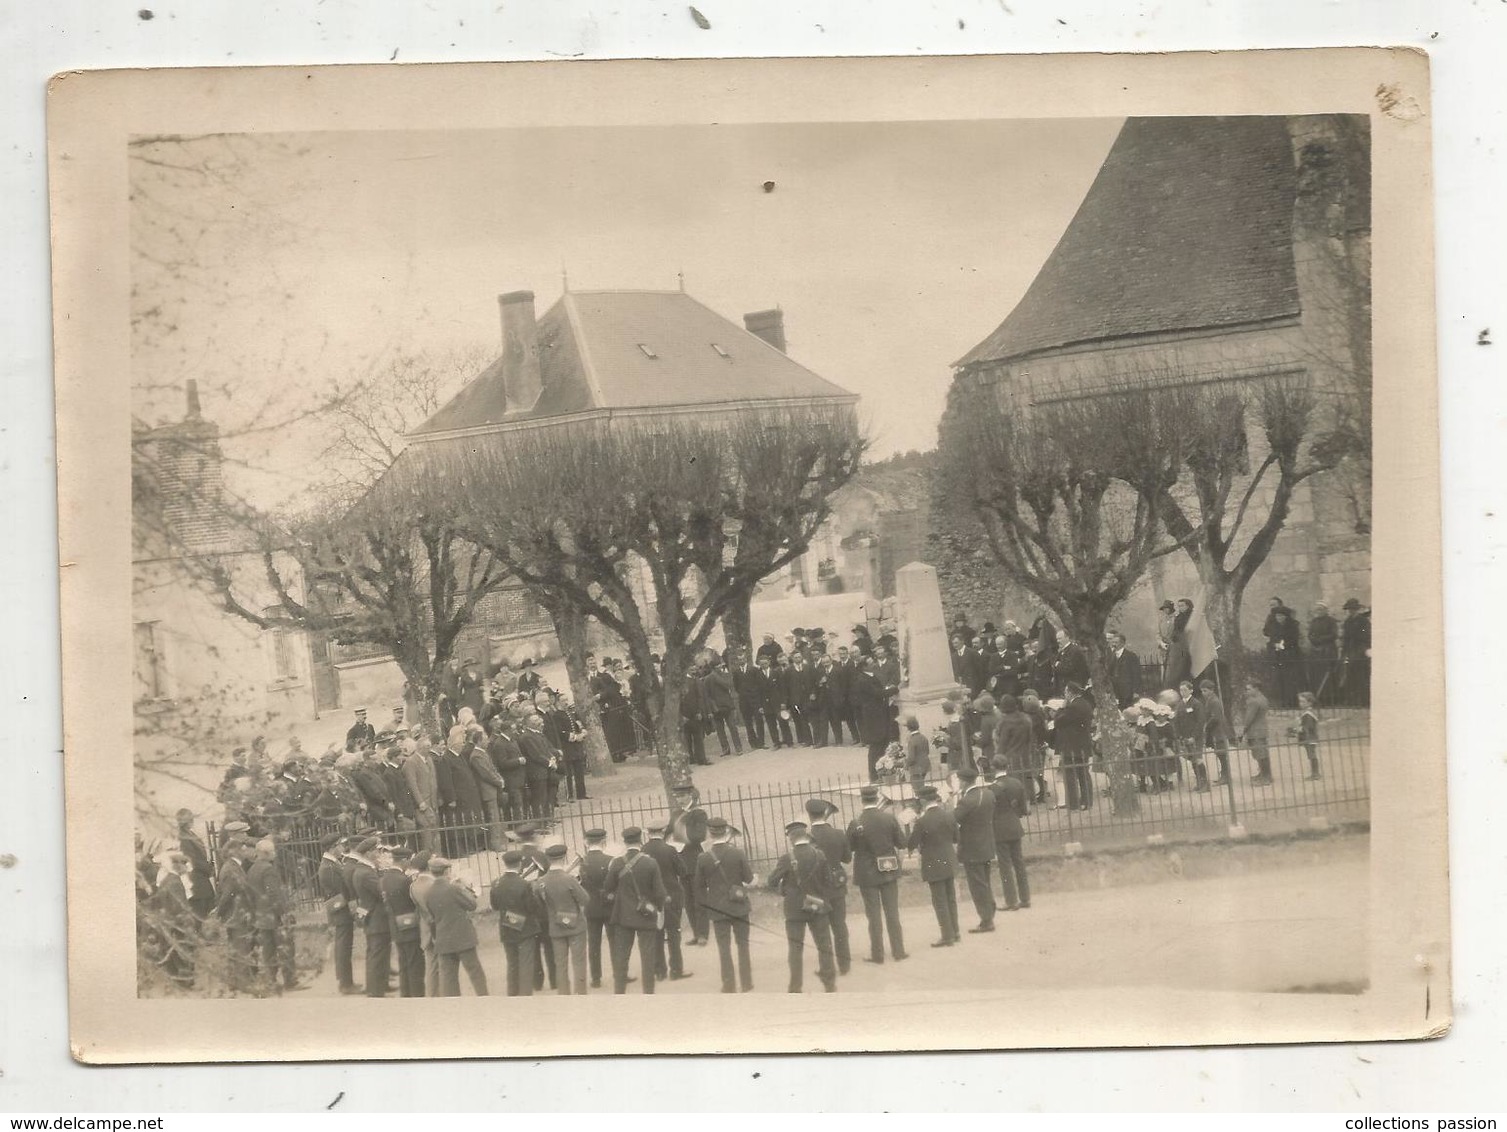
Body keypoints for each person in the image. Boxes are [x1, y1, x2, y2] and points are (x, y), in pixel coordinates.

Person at [766, 821, 839, 994]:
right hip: (817, 906)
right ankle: (830, 984)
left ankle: (795, 986)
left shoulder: (787, 858)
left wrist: (785, 887)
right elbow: (829, 881)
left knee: (795, 948)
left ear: (791, 838)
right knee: (824, 945)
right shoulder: (819, 855)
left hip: (794, 910)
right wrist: (820, 896)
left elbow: (771, 881)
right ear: (806, 836)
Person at [846, 785, 907, 964]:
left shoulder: (856, 823)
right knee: (892, 912)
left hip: (867, 873)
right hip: (888, 868)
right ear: (876, 798)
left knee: (873, 915)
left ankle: (877, 954)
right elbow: (902, 843)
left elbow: (849, 849)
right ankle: (899, 951)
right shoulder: (889, 818)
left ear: (861, 800)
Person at [694, 817, 754, 993]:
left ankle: (728, 984)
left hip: (718, 907)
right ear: (727, 831)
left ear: (709, 833)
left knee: (723, 947)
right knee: (743, 945)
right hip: (739, 906)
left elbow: (698, 885)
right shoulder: (738, 853)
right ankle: (746, 983)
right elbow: (748, 879)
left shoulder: (703, 857)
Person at [605, 827, 667, 995]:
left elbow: (608, 888)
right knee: (647, 956)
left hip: (623, 916)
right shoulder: (650, 862)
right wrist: (657, 909)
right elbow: (660, 893)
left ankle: (620, 992)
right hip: (645, 915)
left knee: (621, 956)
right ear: (640, 840)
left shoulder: (617, 863)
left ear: (625, 842)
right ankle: (648, 993)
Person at [905, 785, 960, 947]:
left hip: (933, 863)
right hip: (949, 860)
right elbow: (956, 838)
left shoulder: (922, 821)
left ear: (922, 800)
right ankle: (955, 932)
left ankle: (947, 936)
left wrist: (911, 826)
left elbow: (911, 843)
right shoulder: (949, 815)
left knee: (939, 900)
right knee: (950, 898)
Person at [247, 838, 303, 994]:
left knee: (268, 951)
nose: (275, 854)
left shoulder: (252, 869)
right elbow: (274, 894)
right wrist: (283, 913)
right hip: (275, 917)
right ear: (266, 853)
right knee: (285, 948)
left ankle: (271, 981)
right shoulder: (268, 869)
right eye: (272, 851)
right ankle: (290, 981)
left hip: (262, 917)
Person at [427, 856, 488, 996]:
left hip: (443, 939)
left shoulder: (429, 892)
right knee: (475, 972)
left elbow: (432, 915)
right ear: (447, 871)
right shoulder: (453, 889)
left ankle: (453, 1007)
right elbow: (472, 905)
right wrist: (465, 887)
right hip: (462, 937)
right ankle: (485, 1000)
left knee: (448, 977)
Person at [804, 798, 852, 975]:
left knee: (820, 929)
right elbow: (847, 859)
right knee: (839, 925)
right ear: (825, 813)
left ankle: (827, 967)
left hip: (815, 888)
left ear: (809, 815)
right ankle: (845, 966)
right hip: (836, 885)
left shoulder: (807, 837)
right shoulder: (838, 833)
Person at [538, 843, 591, 994]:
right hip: (576, 926)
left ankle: (563, 995)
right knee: (579, 962)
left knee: (560, 964)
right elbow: (585, 900)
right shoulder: (569, 879)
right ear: (564, 858)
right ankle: (580, 994)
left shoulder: (541, 882)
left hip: (555, 927)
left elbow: (539, 903)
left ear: (548, 859)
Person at [643, 822, 692, 982]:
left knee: (656, 933)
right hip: (671, 897)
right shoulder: (670, 850)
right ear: (663, 831)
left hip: (652, 898)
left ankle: (659, 971)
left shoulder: (643, 851)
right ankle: (676, 970)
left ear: (648, 832)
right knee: (673, 933)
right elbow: (683, 871)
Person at [490, 849, 543, 996]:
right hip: (525, 928)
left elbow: (494, 906)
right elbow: (532, 908)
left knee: (512, 964)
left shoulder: (496, 883)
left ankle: (512, 995)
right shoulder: (525, 884)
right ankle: (525, 996)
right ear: (520, 864)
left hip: (507, 926)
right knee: (526, 964)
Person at [954, 767, 997, 932]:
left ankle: (986, 920)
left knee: (977, 884)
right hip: (987, 843)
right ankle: (989, 911)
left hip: (972, 847)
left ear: (964, 781)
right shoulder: (988, 794)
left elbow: (953, 819)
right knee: (985, 881)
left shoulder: (966, 800)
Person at [347, 836, 391, 998]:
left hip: (372, 915)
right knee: (377, 954)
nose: (379, 854)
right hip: (377, 916)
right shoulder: (366, 873)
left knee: (376, 953)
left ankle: (378, 988)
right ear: (368, 853)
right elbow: (382, 891)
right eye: (376, 851)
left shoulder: (365, 870)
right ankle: (375, 991)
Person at [316, 833, 359, 995]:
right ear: (333, 848)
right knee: (343, 947)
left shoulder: (332, 864)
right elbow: (340, 891)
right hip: (341, 911)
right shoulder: (329, 867)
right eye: (340, 845)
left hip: (341, 910)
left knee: (344, 946)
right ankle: (345, 984)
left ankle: (347, 982)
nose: (343, 848)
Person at [212, 835, 255, 992]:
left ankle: (235, 981)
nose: (243, 849)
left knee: (237, 947)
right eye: (240, 847)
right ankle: (242, 983)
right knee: (240, 947)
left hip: (235, 913)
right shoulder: (231, 869)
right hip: (235, 914)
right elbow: (228, 894)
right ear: (232, 852)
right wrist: (220, 913)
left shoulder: (233, 866)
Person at [985, 766, 1031, 911]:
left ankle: (1011, 901)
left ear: (994, 768)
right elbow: (1024, 808)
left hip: (1000, 829)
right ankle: (1025, 899)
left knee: (1005, 866)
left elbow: (990, 810)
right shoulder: (1016, 783)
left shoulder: (993, 788)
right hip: (1015, 826)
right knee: (1019, 863)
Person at [382, 846, 425, 997]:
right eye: (409, 860)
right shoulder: (403, 880)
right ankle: (417, 995)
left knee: (403, 963)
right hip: (409, 926)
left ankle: (406, 995)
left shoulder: (385, 877)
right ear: (404, 860)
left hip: (395, 926)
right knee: (415, 964)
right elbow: (413, 901)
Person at [671, 792, 711, 948]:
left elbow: (700, 835)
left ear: (690, 796)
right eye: (677, 796)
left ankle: (703, 934)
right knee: (687, 901)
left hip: (695, 860)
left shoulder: (699, 813)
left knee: (699, 899)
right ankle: (696, 933)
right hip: (681, 861)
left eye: (681, 795)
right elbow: (670, 832)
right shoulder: (676, 813)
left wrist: (680, 838)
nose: (678, 798)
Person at [577, 828, 615, 989]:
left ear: (587, 843)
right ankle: (620, 973)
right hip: (609, 905)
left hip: (591, 907)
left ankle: (596, 978)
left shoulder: (582, 863)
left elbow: (581, 885)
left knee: (593, 943)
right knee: (615, 941)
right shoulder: (611, 860)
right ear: (603, 841)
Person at [1056, 682, 1095, 810]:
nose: (1065, 694)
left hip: (1071, 746)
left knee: (1070, 775)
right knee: (1084, 774)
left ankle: (1073, 803)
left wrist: (1061, 708)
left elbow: (1059, 722)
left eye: (1066, 692)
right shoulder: (1086, 704)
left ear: (1071, 692)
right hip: (1083, 744)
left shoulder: (1072, 707)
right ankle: (1087, 801)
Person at [402, 727, 441, 854]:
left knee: (434, 829)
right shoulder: (411, 762)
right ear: (420, 748)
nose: (430, 749)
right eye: (427, 747)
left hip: (432, 801)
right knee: (426, 831)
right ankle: (427, 856)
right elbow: (412, 784)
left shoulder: (429, 759)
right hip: (423, 803)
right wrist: (420, 802)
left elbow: (433, 779)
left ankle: (435, 854)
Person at [851, 659, 891, 781]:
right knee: (876, 745)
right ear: (864, 667)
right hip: (872, 716)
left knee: (882, 743)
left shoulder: (870, 676)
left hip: (878, 714)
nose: (874, 663)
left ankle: (882, 773)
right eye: (870, 662)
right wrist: (895, 689)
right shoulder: (862, 680)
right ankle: (874, 775)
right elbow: (877, 693)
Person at [409, 849, 441, 997]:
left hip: (426, 929)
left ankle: (432, 995)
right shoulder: (434, 884)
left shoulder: (414, 885)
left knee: (431, 965)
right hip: (439, 927)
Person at [1266, 604, 1303, 708]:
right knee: (1279, 679)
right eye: (1277, 616)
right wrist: (1274, 645)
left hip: (1290, 655)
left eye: (1281, 616)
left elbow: (1294, 640)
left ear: (1286, 617)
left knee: (1290, 679)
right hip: (1278, 656)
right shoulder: (1274, 627)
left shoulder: (1292, 626)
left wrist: (1283, 645)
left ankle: (1291, 702)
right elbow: (1271, 640)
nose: (1279, 618)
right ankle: (1281, 702)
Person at [1198, 679, 1234, 786]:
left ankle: (1226, 776)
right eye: (1202, 691)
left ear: (1212, 690)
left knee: (1222, 754)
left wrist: (1206, 726)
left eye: (1205, 691)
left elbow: (1216, 717)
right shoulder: (1210, 700)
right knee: (1219, 753)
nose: (1203, 693)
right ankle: (1224, 775)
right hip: (1215, 731)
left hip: (1219, 731)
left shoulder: (1214, 701)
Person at [731, 650, 768, 750]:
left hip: (755, 700)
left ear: (746, 659)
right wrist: (743, 694)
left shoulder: (754, 670)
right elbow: (736, 686)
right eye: (739, 660)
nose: (741, 661)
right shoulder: (736, 672)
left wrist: (759, 700)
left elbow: (760, 685)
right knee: (748, 723)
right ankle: (753, 743)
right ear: (737, 661)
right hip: (744, 701)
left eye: (743, 659)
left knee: (759, 721)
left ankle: (761, 742)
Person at [1239, 681, 1274, 785]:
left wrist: (1243, 731)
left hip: (1255, 731)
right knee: (1263, 753)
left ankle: (1265, 778)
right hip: (1262, 729)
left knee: (1259, 754)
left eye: (1249, 689)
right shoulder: (1263, 698)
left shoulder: (1253, 701)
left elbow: (1249, 718)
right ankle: (1265, 774)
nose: (1246, 691)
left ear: (1256, 688)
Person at [1340, 598, 1372, 707]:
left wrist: (1360, 647)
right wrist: (1344, 653)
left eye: (1353, 609)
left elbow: (1366, 636)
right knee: (1350, 677)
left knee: (1361, 677)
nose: (1351, 611)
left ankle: (1363, 701)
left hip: (1360, 650)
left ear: (1357, 609)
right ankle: (1352, 701)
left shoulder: (1363, 621)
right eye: (1349, 609)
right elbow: (1345, 638)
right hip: (1350, 650)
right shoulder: (1347, 621)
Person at [1307, 602, 1341, 705]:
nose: (1319, 612)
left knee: (1329, 674)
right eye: (1317, 610)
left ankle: (1331, 699)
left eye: (1321, 609)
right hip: (1316, 651)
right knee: (1317, 675)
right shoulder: (1314, 621)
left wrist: (1321, 639)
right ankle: (1320, 698)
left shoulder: (1331, 621)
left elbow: (1334, 634)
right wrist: (1314, 640)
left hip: (1328, 650)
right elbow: (1310, 634)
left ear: (1326, 610)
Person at [1106, 630, 1143, 709]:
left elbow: (1136, 675)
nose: (1113, 644)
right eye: (1112, 642)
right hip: (1115, 691)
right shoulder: (1110, 656)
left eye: (1116, 642)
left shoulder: (1131, 656)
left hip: (1127, 691)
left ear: (1122, 643)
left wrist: (1135, 691)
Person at [1163, 599, 1194, 688]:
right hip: (1179, 645)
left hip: (1188, 644)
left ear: (1188, 606)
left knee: (1186, 666)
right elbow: (1175, 630)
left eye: (1182, 605)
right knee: (1177, 668)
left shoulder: (1192, 617)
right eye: (1179, 606)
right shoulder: (1179, 617)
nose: (1180, 608)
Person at [1294, 691, 1322, 780]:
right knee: (1311, 755)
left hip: (1310, 737)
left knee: (1311, 755)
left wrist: (1297, 729)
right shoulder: (1307, 713)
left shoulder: (1308, 714)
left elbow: (1307, 727)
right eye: (1300, 701)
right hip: (1308, 736)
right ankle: (1315, 773)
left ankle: (1315, 773)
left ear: (1309, 703)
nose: (1300, 703)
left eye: (1303, 701)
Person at [903, 715, 931, 793]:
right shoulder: (923, 737)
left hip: (916, 767)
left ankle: (919, 802)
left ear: (908, 728)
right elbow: (927, 751)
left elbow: (911, 758)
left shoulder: (911, 740)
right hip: (925, 765)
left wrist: (906, 765)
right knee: (921, 785)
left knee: (917, 788)